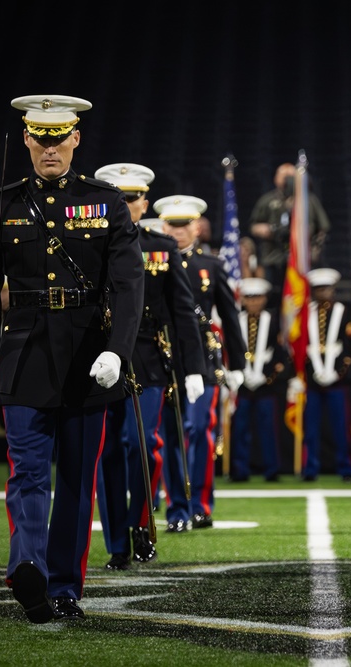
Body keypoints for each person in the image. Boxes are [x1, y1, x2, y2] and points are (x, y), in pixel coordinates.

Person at [0, 95, 144, 624]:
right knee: (26, 472)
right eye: (39, 138)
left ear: (75, 139)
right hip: (23, 356)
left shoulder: (106, 202)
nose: (48, 148)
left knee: (74, 480)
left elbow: (130, 286)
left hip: (90, 356)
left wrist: (118, 350)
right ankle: (28, 567)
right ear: (26, 139)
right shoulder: (1, 204)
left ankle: (64, 587)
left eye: (58, 137)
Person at [92, 162, 205, 566]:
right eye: (119, 198)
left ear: (144, 203)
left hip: (148, 359)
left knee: (141, 446)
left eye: (133, 198)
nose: (127, 204)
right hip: (98, 358)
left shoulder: (161, 247)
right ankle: (117, 544)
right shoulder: (89, 244)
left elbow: (182, 312)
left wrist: (193, 367)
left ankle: (142, 527)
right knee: (106, 452)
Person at [156, 194, 246, 530]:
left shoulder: (212, 265)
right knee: (170, 435)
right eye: (172, 226)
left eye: (184, 225)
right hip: (163, 357)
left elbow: (229, 316)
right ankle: (177, 509)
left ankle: (201, 504)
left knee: (197, 430)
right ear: (163, 226)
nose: (178, 232)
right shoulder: (151, 261)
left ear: (197, 227)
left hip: (204, 361)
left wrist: (237, 363)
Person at [297, 267, 351, 481]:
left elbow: (350, 348)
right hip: (313, 381)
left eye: (326, 289)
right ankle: (310, 468)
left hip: (339, 381)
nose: (322, 293)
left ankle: (346, 468)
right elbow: (301, 345)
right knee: (311, 429)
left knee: (342, 428)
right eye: (318, 289)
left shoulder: (344, 312)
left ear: (333, 289)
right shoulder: (305, 314)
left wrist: (340, 373)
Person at [228, 276, 293, 481]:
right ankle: (239, 471)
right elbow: (230, 350)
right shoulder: (234, 321)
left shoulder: (275, 321)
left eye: (257, 297)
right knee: (240, 430)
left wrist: (269, 377)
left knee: (269, 429)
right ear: (243, 300)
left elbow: (281, 353)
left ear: (265, 299)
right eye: (249, 298)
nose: (253, 301)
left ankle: (272, 470)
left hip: (267, 385)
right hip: (242, 385)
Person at [246, 162, 331, 302]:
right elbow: (253, 225)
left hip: (302, 258)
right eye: (284, 176)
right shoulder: (268, 200)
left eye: (291, 177)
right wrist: (264, 229)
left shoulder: (309, 200)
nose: (287, 181)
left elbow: (323, 228)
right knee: (274, 297)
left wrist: (314, 250)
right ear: (276, 178)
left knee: (302, 297)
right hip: (273, 257)